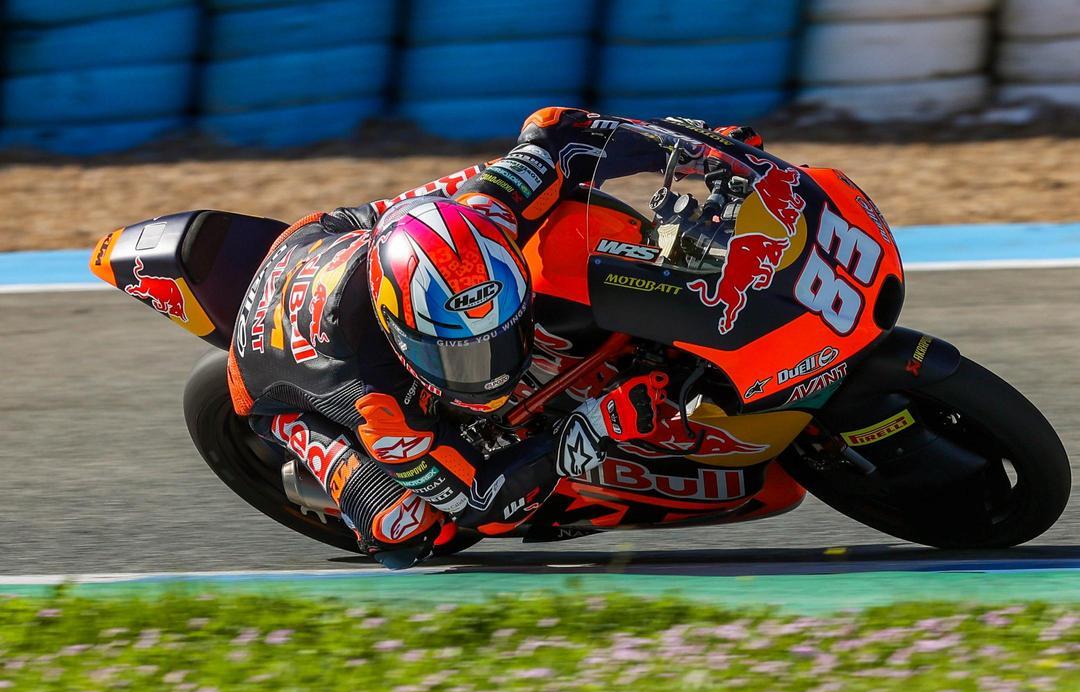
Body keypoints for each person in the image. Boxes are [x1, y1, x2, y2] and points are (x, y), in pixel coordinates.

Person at [226, 107, 761, 568]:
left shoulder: (489, 214)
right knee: (406, 526)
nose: (491, 370)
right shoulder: (380, 407)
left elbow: (556, 131)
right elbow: (480, 501)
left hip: (338, 233)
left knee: (535, 193)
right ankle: (354, 494)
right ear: (402, 336)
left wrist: (701, 154)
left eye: (494, 339)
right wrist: (592, 427)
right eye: (461, 357)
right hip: (266, 373)